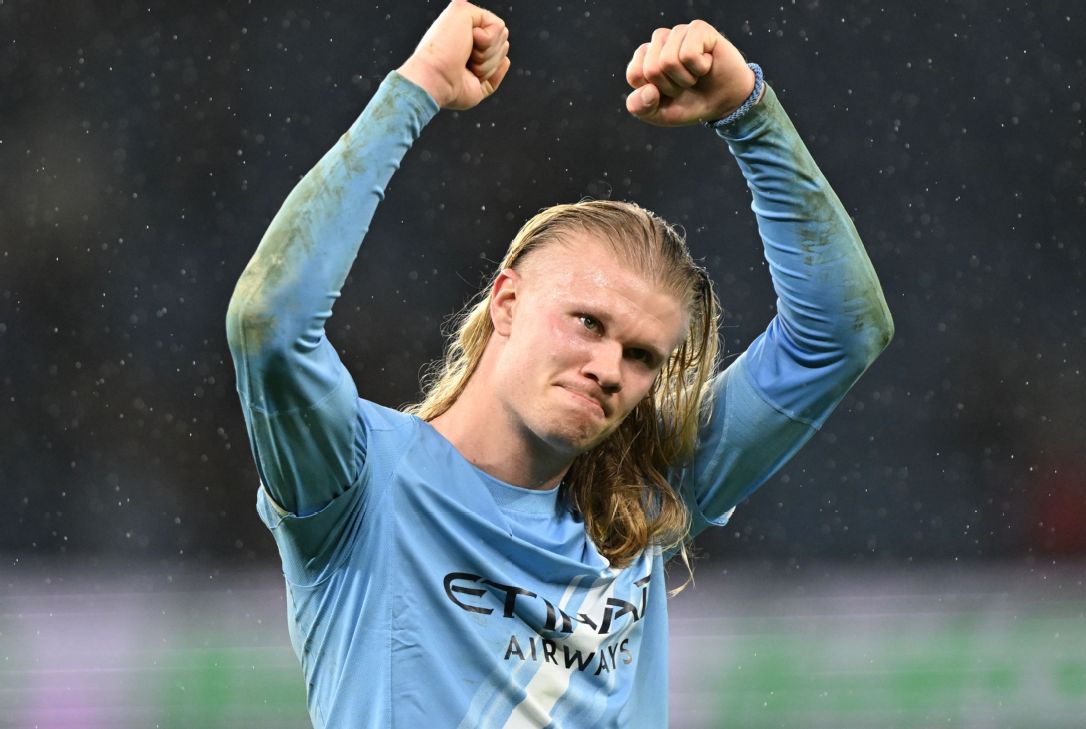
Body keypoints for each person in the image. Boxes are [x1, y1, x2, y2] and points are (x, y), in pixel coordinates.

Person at [225, 1, 892, 726]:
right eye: (588, 323)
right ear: (506, 301)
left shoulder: (642, 500)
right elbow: (269, 322)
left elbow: (841, 332)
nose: (609, 368)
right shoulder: (358, 482)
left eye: (641, 355)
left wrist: (749, 112)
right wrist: (417, 87)